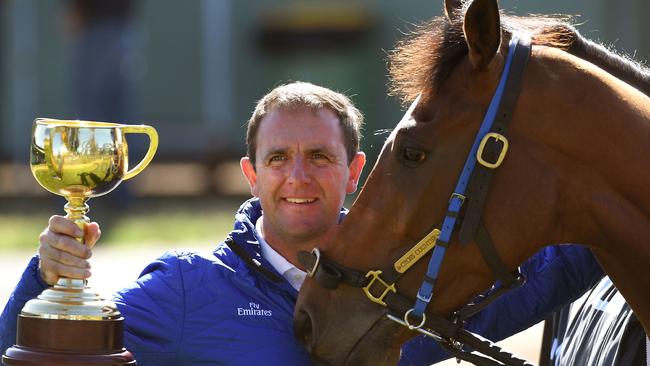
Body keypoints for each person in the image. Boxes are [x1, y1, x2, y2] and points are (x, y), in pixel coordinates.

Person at [0, 81, 607, 365]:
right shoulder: (186, 291)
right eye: (277, 159)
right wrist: (47, 281)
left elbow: (551, 272)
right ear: (250, 173)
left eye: (319, 157)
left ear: (355, 171)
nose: (298, 177)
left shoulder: (406, 288)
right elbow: (23, 352)